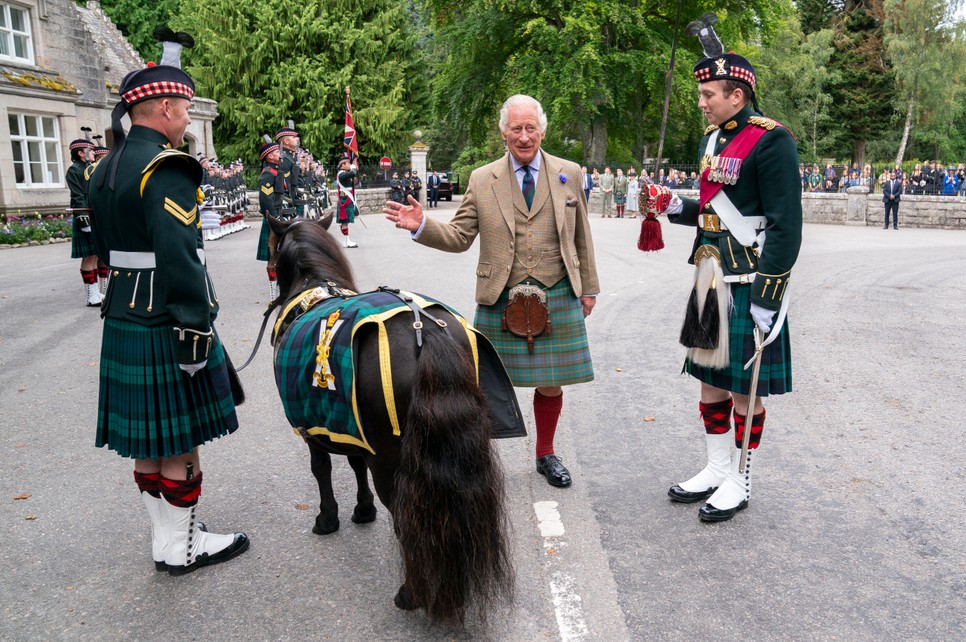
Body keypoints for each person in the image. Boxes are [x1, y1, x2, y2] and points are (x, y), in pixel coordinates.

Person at [87, 27, 248, 574]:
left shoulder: (103, 167)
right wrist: (195, 330)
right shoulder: (166, 167)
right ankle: (182, 549)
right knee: (178, 440)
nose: (186, 118)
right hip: (166, 317)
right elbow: (181, 258)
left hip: (124, 314)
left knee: (149, 441)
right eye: (183, 106)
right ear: (160, 108)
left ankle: (166, 540)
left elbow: (109, 248)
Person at [383, 94, 600, 489]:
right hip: (500, 294)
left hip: (558, 291)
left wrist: (589, 289)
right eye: (515, 128)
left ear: (542, 130)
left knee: (551, 381)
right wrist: (421, 225)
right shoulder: (483, 179)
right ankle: (478, 458)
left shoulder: (569, 172)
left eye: (529, 127)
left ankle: (545, 454)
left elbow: (582, 237)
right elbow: (460, 235)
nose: (523, 136)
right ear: (503, 132)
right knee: (484, 384)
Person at [649, 26, 802, 522]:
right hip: (708, 275)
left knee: (744, 387)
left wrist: (768, 294)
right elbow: (712, 211)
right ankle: (716, 467)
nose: (701, 102)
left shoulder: (773, 141)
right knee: (709, 381)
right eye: (699, 94)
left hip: (748, 281)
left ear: (737, 95)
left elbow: (785, 226)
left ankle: (741, 475)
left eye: (708, 94)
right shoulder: (711, 139)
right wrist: (674, 204)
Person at [67, 132, 105, 307]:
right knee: (89, 256)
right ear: (81, 153)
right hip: (85, 215)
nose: (93, 152)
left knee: (98, 254)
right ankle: (91, 295)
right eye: (89, 150)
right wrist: (83, 220)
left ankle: (101, 291)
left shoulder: (91, 168)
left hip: (96, 215)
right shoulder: (74, 170)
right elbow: (78, 195)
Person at [256, 137, 285, 299]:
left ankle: (281, 288)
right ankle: (274, 292)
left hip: (279, 216)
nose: (279, 154)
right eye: (275, 152)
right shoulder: (268, 173)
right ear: (269, 156)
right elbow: (266, 199)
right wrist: (274, 219)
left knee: (280, 254)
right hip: (273, 218)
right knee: (273, 256)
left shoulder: (276, 170)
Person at [276, 121, 301, 214]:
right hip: (286, 199)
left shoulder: (290, 157)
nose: (297, 139)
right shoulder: (284, 158)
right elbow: (285, 182)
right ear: (286, 141)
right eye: (293, 137)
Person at [336, 157, 359, 247]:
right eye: (348, 163)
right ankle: (346, 241)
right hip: (344, 200)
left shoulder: (345, 174)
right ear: (343, 165)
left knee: (346, 221)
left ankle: (346, 240)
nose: (349, 165)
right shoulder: (341, 174)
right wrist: (353, 167)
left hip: (346, 199)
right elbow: (353, 173)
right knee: (345, 221)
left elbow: (353, 181)